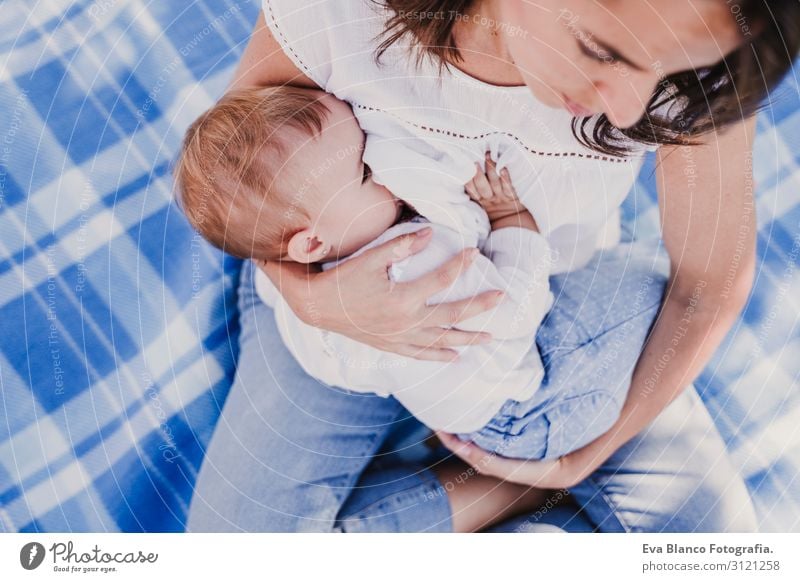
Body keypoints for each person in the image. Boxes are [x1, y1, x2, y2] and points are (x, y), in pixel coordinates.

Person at [187, 0, 800, 532]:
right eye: (598, 49)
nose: (626, 113)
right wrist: (317, 301)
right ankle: (519, 495)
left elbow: (708, 286)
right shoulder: (345, 14)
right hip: (332, 311)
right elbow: (244, 194)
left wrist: (587, 454)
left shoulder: (696, 82)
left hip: (547, 314)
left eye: (675, 71)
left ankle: (544, 484)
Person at [174, 84, 665, 468]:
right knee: (650, 281)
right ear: (311, 241)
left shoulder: (292, 290)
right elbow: (516, 309)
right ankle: (543, 479)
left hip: (464, 418)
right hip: (532, 413)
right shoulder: (416, 257)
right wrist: (512, 220)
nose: (383, 171)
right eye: (364, 173)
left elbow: (337, 367)